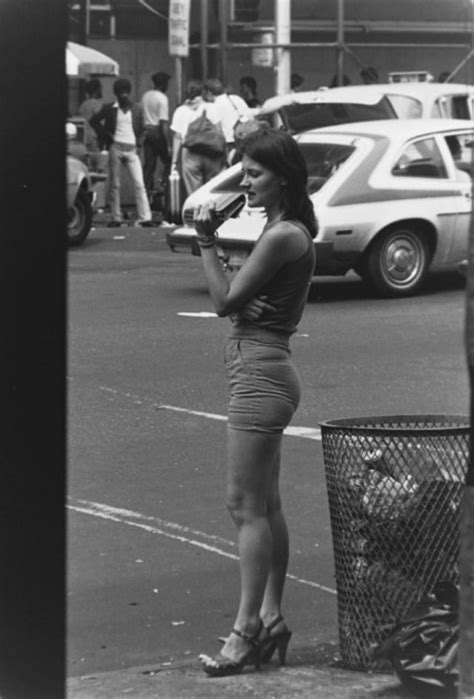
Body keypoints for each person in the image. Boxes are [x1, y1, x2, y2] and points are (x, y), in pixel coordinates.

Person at [194, 126, 317, 677]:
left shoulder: (283, 235)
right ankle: (269, 618)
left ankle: (244, 634)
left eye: (255, 172)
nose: (245, 179)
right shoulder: (280, 230)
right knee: (265, 505)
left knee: (244, 506)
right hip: (264, 370)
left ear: (283, 178)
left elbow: (224, 301)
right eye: (244, 169)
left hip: (261, 375)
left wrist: (205, 243)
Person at [90, 78, 154, 227]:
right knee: (115, 184)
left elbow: (144, 128)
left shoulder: (137, 108)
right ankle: (116, 217)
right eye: (121, 93)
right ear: (116, 94)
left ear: (129, 92)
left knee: (139, 183)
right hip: (116, 147)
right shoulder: (109, 108)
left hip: (132, 149)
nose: (124, 95)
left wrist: (139, 144)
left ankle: (146, 217)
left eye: (126, 92)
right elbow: (94, 121)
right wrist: (106, 135)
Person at [170, 79, 226, 196]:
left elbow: (177, 137)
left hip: (190, 154)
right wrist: (224, 155)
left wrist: (174, 162)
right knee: (213, 191)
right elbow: (219, 132)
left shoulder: (180, 111)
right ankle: (211, 213)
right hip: (212, 153)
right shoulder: (211, 107)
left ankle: (197, 213)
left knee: (194, 194)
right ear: (203, 92)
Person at [203, 78, 251, 163]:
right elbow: (250, 117)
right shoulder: (236, 99)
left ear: (209, 93)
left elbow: (218, 131)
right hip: (246, 141)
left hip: (228, 145)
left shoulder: (213, 106)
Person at [141, 71, 172, 202]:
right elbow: (163, 124)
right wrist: (169, 144)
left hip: (147, 133)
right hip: (158, 132)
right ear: (164, 84)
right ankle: (163, 187)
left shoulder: (146, 96)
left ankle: (146, 196)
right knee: (169, 162)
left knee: (149, 166)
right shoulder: (162, 99)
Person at [79, 78, 103, 168]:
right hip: (93, 137)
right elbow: (101, 122)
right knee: (96, 163)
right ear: (96, 90)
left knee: (87, 163)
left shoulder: (83, 104)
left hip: (84, 136)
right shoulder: (96, 104)